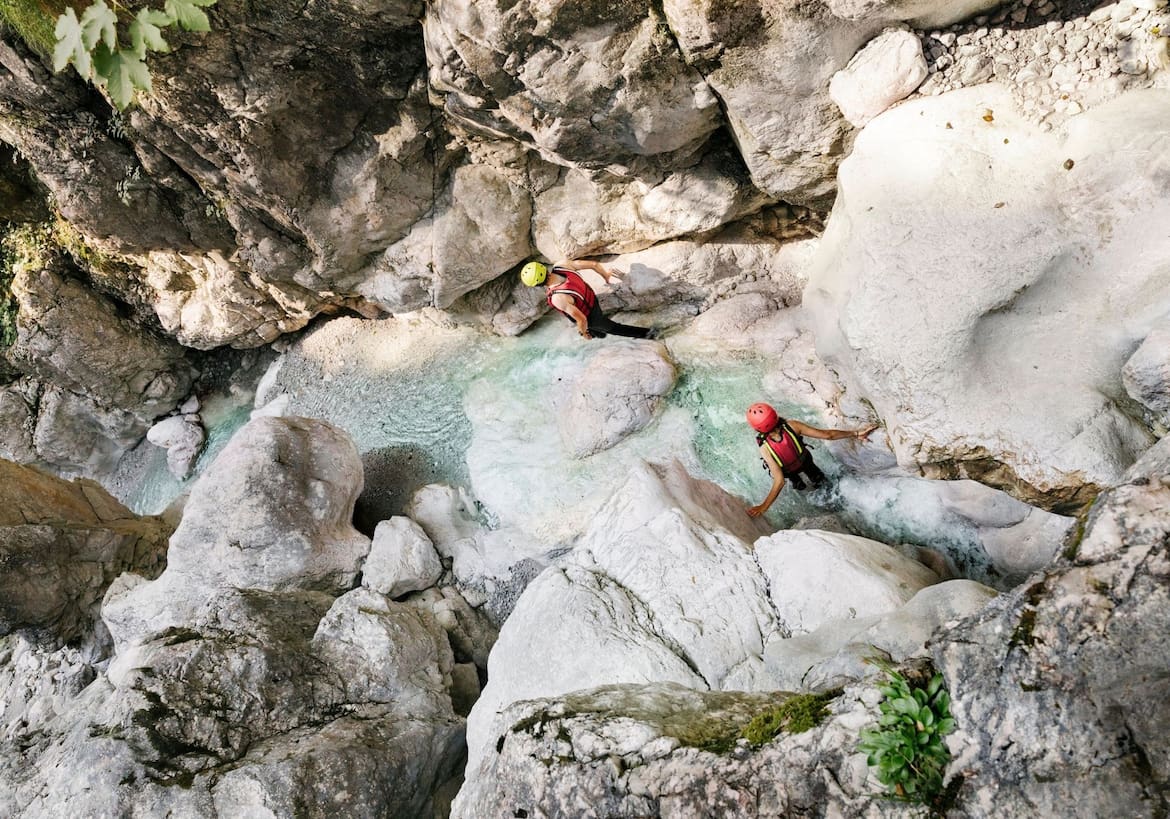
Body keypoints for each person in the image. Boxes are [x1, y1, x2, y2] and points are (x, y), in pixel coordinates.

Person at [745, 402, 879, 518]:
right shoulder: (792, 426)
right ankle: (836, 504)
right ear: (774, 415)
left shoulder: (764, 447)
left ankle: (800, 485)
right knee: (820, 480)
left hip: (789, 472)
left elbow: (779, 481)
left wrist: (764, 506)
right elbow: (828, 435)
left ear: (757, 428)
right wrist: (855, 433)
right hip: (805, 461)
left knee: (798, 484)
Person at [520, 259, 652, 340]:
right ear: (542, 267)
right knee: (597, 327)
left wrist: (583, 334)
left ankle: (649, 333)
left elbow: (581, 319)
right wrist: (605, 275)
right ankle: (598, 333)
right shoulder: (562, 265)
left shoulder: (557, 298)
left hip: (590, 317)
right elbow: (594, 264)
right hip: (591, 299)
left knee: (615, 328)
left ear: (536, 285)